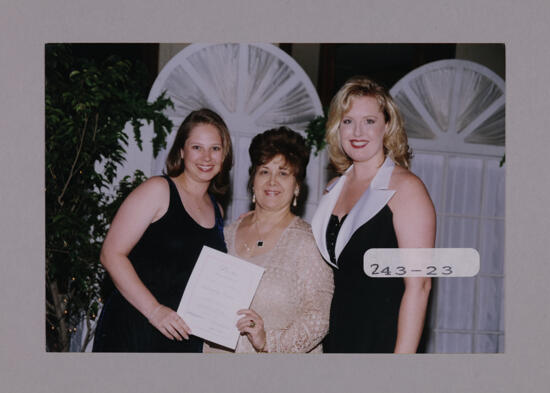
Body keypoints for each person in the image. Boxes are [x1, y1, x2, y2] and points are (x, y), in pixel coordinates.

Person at [311, 76, 435, 353]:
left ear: (387, 126)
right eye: (347, 121)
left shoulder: (407, 189)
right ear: (337, 128)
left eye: (369, 121)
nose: (357, 131)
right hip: (337, 337)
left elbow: (420, 287)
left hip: (383, 339)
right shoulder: (333, 189)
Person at [93, 108, 233, 352]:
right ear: (181, 151)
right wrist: (154, 311)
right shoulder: (158, 190)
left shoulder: (217, 211)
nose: (206, 157)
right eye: (197, 147)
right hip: (136, 326)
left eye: (215, 148)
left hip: (182, 334)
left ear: (224, 156)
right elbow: (110, 254)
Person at [203, 127, 334, 353]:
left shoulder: (308, 243)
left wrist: (268, 342)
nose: (272, 181)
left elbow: (318, 319)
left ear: (297, 187)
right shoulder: (225, 235)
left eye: (283, 173)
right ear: (253, 181)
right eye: (264, 171)